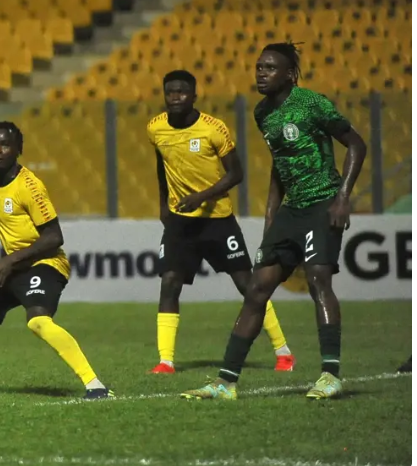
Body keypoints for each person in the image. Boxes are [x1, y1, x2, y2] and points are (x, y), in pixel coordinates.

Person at [183, 43, 367, 400]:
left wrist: (343, 198)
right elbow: (279, 164)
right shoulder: (262, 112)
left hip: (323, 202)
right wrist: (271, 215)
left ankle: (330, 375)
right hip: (290, 211)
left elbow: (356, 144)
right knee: (256, 289)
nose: (261, 73)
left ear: (288, 74)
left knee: (318, 280)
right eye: (258, 67)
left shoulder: (311, 104)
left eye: (269, 68)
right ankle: (225, 382)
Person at [0, 122, 112, 400]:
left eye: (5, 144)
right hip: (13, 267)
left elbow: (54, 237)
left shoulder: (30, 186)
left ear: (18, 149)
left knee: (38, 321)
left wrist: (9, 261)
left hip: (46, 263)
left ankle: (95, 385)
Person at [147, 70, 295, 374]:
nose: (175, 97)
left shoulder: (214, 129)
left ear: (194, 95)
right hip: (180, 221)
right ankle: (165, 361)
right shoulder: (155, 128)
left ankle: (283, 351)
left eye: (182, 92)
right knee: (170, 283)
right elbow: (162, 166)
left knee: (248, 285)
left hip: (217, 221)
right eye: (170, 92)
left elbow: (236, 174)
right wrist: (163, 204)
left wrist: (203, 196)